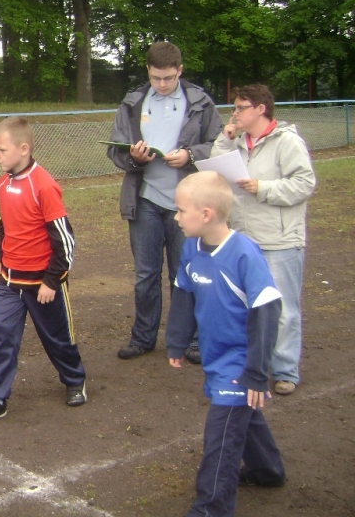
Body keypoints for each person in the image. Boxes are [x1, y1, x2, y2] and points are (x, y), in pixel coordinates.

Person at [166, 171, 285, 516]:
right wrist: (176, 342)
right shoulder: (191, 248)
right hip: (215, 357)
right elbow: (184, 296)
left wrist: (256, 371)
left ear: (206, 214)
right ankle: (268, 470)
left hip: (242, 359)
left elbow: (266, 311)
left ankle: (210, 508)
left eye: (180, 210)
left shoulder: (244, 254)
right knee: (242, 416)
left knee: (221, 440)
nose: (175, 217)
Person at [0, 117, 87, 430]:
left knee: (57, 338)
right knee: (2, 335)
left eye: (1, 149)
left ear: (23, 149)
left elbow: (64, 239)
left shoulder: (44, 185)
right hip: (9, 280)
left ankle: (74, 380)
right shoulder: (2, 183)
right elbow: (6, 225)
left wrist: (51, 281)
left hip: (43, 283)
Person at [106, 41, 223, 362]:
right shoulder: (132, 102)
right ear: (148, 71)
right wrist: (134, 157)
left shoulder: (200, 102)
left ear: (180, 71)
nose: (162, 84)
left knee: (185, 274)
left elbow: (219, 144)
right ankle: (143, 338)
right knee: (145, 276)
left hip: (187, 205)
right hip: (144, 202)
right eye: (157, 78)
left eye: (169, 78)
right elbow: (114, 148)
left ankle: (193, 340)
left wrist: (190, 154)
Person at [211, 84, 315, 395]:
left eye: (241, 108)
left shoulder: (287, 142)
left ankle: (285, 370)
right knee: (246, 306)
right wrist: (224, 138)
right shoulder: (238, 141)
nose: (235, 114)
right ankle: (252, 364)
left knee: (281, 307)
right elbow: (217, 168)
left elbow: (305, 183)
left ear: (260, 109)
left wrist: (264, 188)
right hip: (244, 237)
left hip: (280, 239)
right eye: (235, 108)